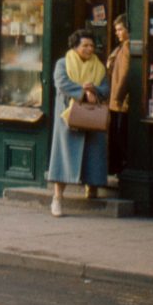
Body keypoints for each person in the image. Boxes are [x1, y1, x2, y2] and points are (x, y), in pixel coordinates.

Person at [46, 29, 110, 216]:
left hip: (91, 117)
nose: (90, 49)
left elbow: (106, 87)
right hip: (69, 117)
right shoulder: (62, 63)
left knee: (93, 153)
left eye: (92, 46)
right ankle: (57, 198)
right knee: (64, 157)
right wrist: (83, 92)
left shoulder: (99, 67)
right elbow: (61, 82)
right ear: (75, 47)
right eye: (85, 45)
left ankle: (92, 188)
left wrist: (95, 90)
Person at [106, 14, 132, 180]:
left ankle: (120, 168)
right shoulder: (122, 47)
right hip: (116, 100)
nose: (117, 33)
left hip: (119, 101)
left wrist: (117, 96)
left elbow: (125, 74)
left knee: (119, 136)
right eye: (116, 30)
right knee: (116, 135)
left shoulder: (128, 47)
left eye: (120, 29)